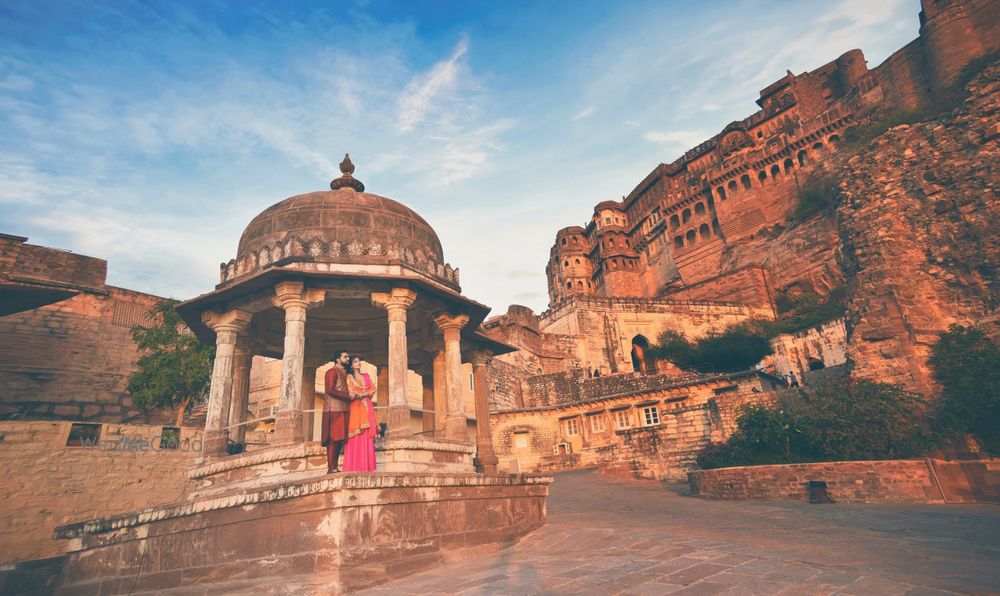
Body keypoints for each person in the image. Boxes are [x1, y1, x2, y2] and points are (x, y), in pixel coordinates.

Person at [343, 355, 378, 472]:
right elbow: (351, 391)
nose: (358, 363)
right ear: (351, 365)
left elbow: (373, 389)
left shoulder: (366, 376)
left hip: (367, 406)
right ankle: (355, 466)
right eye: (355, 362)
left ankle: (367, 466)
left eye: (359, 361)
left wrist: (363, 394)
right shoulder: (349, 377)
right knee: (356, 434)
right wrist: (362, 393)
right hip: (356, 408)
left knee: (367, 435)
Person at [322, 350, 353, 473]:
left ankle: (334, 467)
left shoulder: (344, 373)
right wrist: (348, 397)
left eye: (348, 356)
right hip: (333, 409)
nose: (348, 359)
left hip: (344, 408)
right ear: (337, 359)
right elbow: (329, 390)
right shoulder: (332, 372)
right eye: (345, 357)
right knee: (333, 439)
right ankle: (331, 468)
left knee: (340, 439)